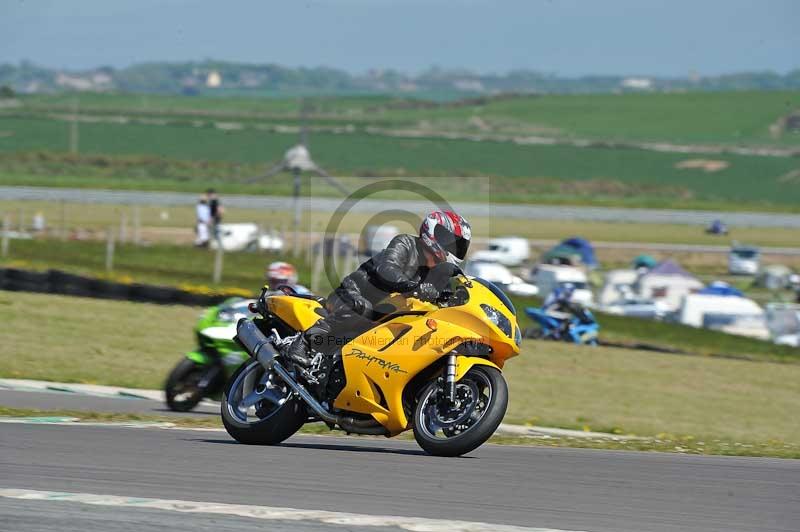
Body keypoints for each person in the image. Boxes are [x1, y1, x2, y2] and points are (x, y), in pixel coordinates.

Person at [282, 210, 472, 366]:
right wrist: (413, 285)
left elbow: (448, 292)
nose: (453, 248)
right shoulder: (405, 243)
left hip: (385, 311)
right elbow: (387, 268)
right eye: (451, 241)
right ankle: (303, 343)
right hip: (351, 294)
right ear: (434, 232)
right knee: (363, 309)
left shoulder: (439, 271)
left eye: (458, 245)